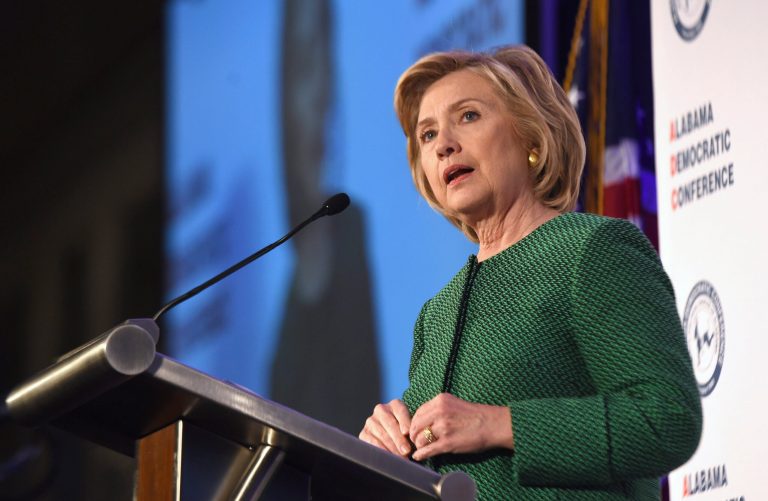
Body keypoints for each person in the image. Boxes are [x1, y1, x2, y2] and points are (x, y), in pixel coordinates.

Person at [358, 45, 702, 500]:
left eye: (468, 116)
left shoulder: (591, 251)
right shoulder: (435, 316)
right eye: (427, 135)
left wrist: (498, 424)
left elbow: (668, 418)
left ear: (531, 139)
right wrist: (383, 452)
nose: (443, 145)